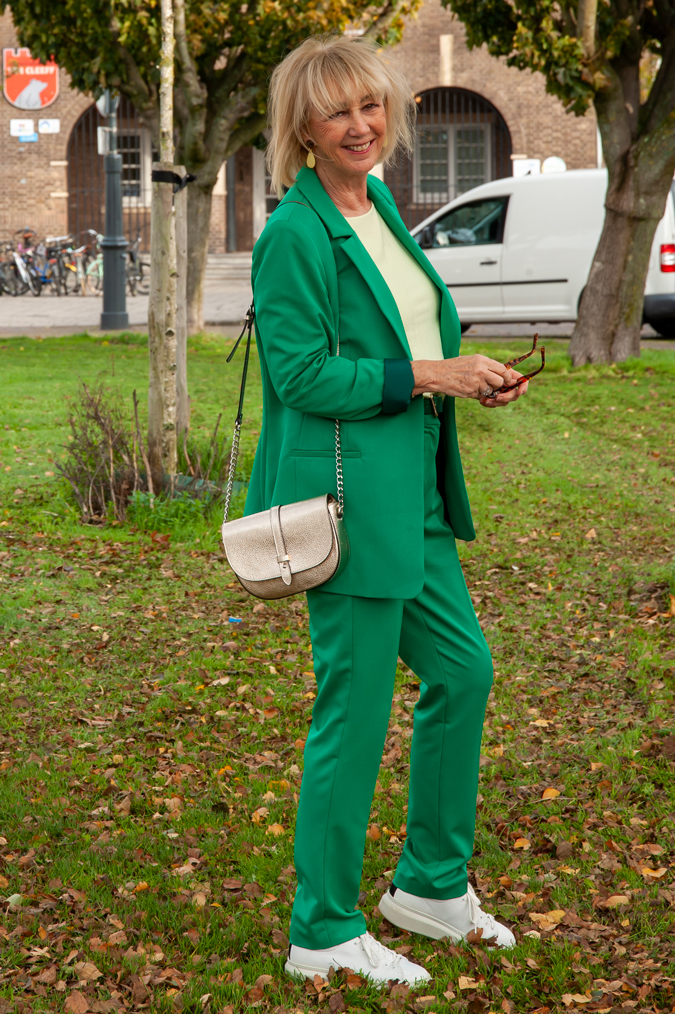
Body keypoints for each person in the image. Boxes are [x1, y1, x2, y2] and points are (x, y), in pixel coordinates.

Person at [245, 35, 528, 987]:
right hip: (345, 502)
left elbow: (409, 340)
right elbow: (299, 373)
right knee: (354, 711)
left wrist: (463, 375)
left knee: (464, 671)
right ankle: (321, 931)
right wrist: (426, 373)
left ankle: (430, 887)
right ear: (303, 129)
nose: (359, 125)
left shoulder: (377, 212)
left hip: (413, 495)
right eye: (336, 112)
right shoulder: (297, 230)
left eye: (370, 104)